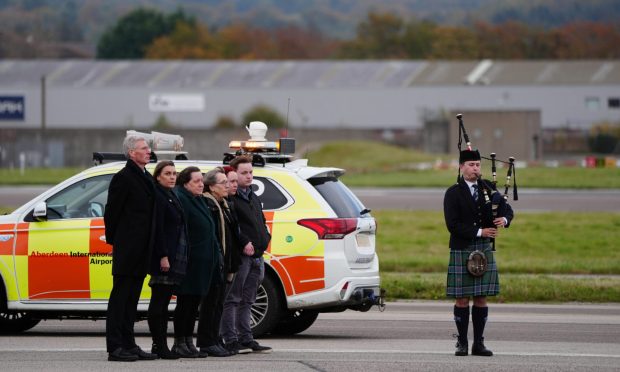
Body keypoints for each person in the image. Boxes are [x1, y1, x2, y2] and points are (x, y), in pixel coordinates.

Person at [443, 149, 514, 357]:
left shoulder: (489, 188)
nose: (475, 168)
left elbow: (507, 210)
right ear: (461, 167)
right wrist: (480, 231)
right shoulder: (453, 193)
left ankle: (479, 344)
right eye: (471, 165)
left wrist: (505, 220)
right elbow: (452, 225)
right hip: (462, 247)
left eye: (477, 165)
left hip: (483, 248)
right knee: (462, 299)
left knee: (481, 298)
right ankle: (462, 343)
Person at [104, 135, 158, 362]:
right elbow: (112, 214)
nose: (148, 151)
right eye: (144, 148)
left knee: (132, 301)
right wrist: (121, 242)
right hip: (128, 249)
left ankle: (129, 343)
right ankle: (115, 347)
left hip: (142, 250)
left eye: (148, 148)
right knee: (120, 300)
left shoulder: (145, 176)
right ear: (131, 152)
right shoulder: (123, 177)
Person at [221, 156, 272, 354]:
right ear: (232, 174)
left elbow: (261, 221)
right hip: (241, 257)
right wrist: (244, 243)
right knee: (233, 298)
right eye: (244, 173)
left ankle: (246, 337)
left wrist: (265, 238)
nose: (249, 176)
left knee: (248, 299)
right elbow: (234, 228)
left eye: (250, 172)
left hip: (257, 256)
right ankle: (230, 338)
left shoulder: (252, 196)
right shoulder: (230, 199)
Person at [172, 166, 220, 358]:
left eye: (202, 181)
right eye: (197, 181)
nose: (201, 184)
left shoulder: (198, 199)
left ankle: (188, 342)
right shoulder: (181, 198)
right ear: (185, 183)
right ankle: (179, 342)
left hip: (203, 262)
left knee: (193, 305)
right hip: (190, 262)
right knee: (185, 304)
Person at [197, 167, 242, 357]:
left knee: (218, 304)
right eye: (223, 183)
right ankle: (207, 341)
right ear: (212, 187)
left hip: (226, 262)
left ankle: (215, 339)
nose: (228, 186)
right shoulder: (210, 205)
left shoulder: (224, 204)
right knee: (210, 304)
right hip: (215, 263)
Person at [147, 160, 189, 359]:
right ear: (158, 177)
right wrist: (163, 256)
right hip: (164, 257)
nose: (172, 177)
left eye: (174, 173)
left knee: (164, 304)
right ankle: (159, 345)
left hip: (174, 256)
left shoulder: (171, 194)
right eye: (167, 173)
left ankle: (161, 345)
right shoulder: (159, 196)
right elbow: (159, 229)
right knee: (159, 304)